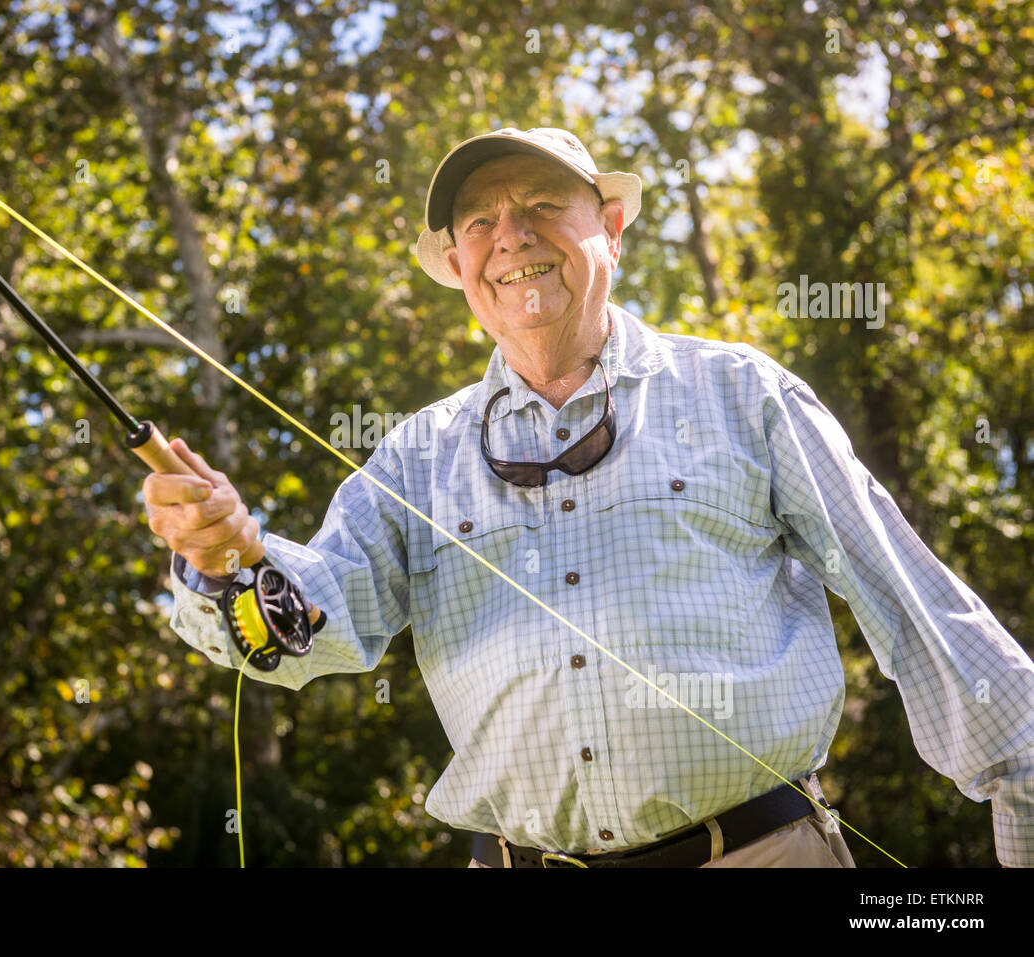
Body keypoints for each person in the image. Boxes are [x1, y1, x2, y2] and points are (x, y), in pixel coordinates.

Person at [143, 127, 1034, 867]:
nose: (512, 236)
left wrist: (1025, 778)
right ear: (456, 264)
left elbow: (912, 604)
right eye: (481, 222)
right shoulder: (414, 456)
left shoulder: (743, 394)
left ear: (610, 226)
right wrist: (228, 560)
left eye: (540, 206)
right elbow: (313, 631)